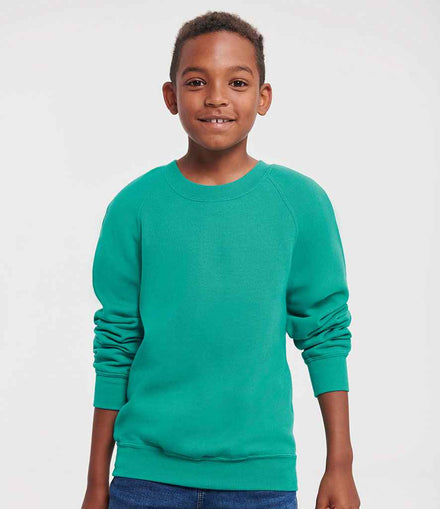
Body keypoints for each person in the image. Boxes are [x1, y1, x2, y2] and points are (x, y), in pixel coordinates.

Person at [82, 10, 361, 509]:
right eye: (196, 82)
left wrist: (339, 465)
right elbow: (116, 344)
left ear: (263, 97)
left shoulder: (300, 204)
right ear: (170, 96)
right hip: (145, 478)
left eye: (237, 82)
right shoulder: (134, 207)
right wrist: (95, 485)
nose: (216, 97)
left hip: (260, 481)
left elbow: (325, 334)